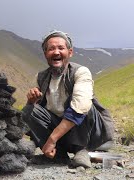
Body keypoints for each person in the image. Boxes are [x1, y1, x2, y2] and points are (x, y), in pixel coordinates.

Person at [22, 30, 114, 168]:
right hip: (61, 132)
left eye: (61, 48)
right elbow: (34, 113)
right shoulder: (41, 77)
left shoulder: (81, 72)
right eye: (51, 49)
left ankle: (82, 150)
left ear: (70, 52)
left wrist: (52, 138)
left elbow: (81, 106)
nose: (56, 52)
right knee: (29, 110)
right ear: (45, 54)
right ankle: (59, 155)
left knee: (81, 103)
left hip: (88, 131)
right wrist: (31, 101)